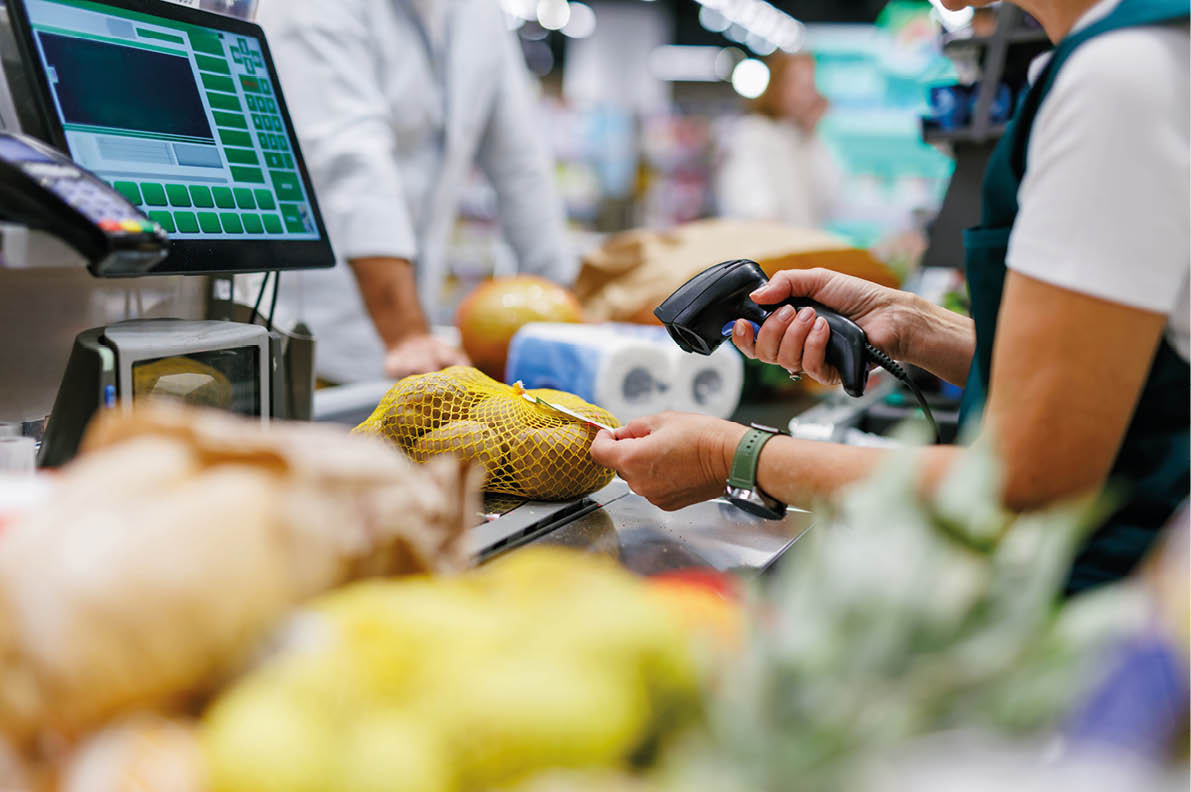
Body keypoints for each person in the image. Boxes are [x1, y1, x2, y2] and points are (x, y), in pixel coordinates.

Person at [592, 0, 1189, 593]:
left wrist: (731, 457)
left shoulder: (1117, 80)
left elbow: (1022, 487)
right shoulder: (1127, 55)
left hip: (1112, 608)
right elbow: (1109, 375)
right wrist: (911, 323)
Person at [257, 0, 573, 383]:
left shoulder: (478, 15)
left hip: (417, 336)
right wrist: (408, 336)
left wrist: (569, 325)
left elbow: (522, 166)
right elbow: (352, 165)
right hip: (316, 345)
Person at [714, 52, 842, 229]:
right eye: (800, 86)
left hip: (798, 246)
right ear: (778, 86)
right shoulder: (754, 133)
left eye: (810, 86)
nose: (807, 96)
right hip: (770, 247)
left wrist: (812, 133)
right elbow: (750, 197)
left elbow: (829, 198)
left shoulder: (802, 139)